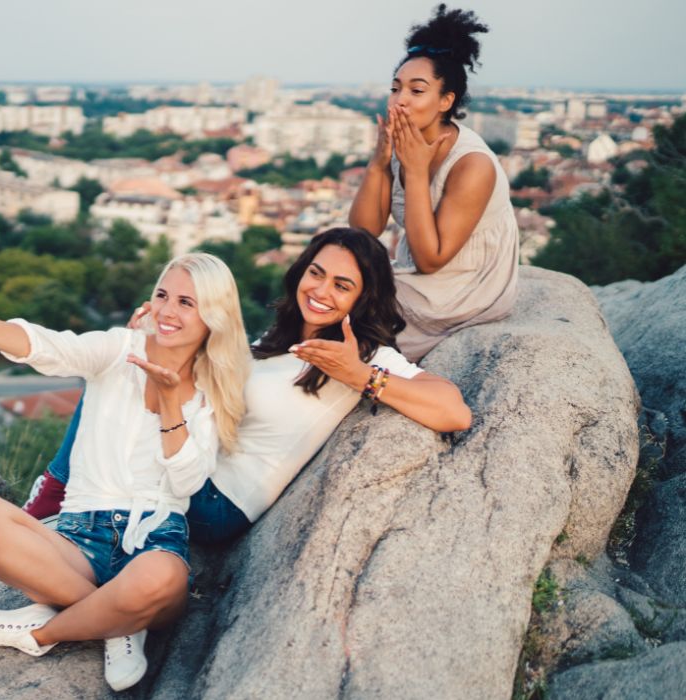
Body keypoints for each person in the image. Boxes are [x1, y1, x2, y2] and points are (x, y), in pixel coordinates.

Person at [26, 227, 472, 547]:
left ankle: (52, 494)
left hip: (218, 503)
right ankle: (60, 494)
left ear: (363, 298)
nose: (321, 290)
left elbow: (454, 411)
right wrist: (155, 340)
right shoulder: (274, 342)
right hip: (192, 466)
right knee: (123, 365)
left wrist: (359, 376)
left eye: (342, 285)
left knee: (121, 369)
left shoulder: (366, 355)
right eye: (315, 273)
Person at [0, 252, 250, 691]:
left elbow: (186, 484)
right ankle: (117, 623)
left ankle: (40, 633)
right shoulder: (119, 349)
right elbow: (51, 345)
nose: (167, 311)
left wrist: (170, 404)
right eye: (162, 295)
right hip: (78, 540)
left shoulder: (216, 389)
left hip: (153, 542)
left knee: (163, 577)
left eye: (186, 302)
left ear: (213, 317)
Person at [349, 4, 519, 361]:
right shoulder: (405, 143)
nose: (401, 100)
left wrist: (415, 171)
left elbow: (431, 260)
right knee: (327, 279)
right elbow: (364, 232)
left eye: (416, 90)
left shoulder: (472, 165)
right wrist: (379, 163)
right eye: (396, 89)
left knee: (344, 318)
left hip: (462, 289)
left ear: (446, 100)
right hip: (416, 276)